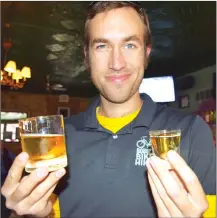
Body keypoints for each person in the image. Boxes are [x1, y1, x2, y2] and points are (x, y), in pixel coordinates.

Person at [1, 1, 216, 218]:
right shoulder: (58, 139)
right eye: (102, 46)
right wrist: (25, 214)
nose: (116, 63)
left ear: (146, 53)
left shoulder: (190, 131)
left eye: (130, 45)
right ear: (87, 56)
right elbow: (44, 212)